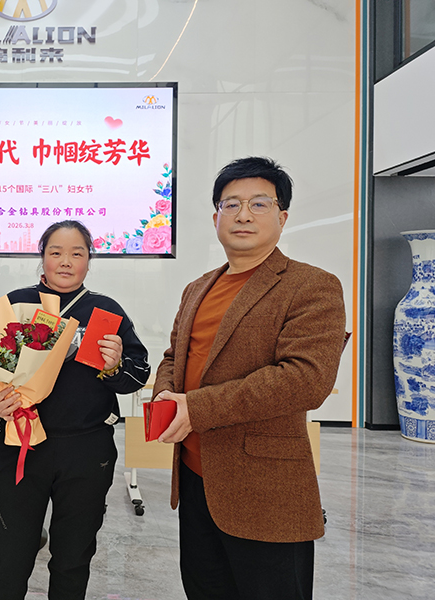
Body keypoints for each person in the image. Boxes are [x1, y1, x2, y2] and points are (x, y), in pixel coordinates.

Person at [153, 157, 347, 599]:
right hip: (196, 481)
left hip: (265, 489)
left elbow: (306, 379)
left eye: (259, 203)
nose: (243, 214)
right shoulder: (197, 287)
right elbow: (174, 357)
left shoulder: (311, 285)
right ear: (216, 218)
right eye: (231, 204)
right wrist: (166, 393)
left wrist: (195, 408)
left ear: (282, 217)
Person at [0, 220, 151, 600]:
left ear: (89, 260)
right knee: (7, 558)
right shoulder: (15, 305)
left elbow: (136, 376)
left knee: (73, 558)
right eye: (56, 252)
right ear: (42, 257)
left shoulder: (105, 310)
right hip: (21, 447)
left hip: (87, 452)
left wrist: (114, 366)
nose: (66, 262)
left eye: (76, 253)